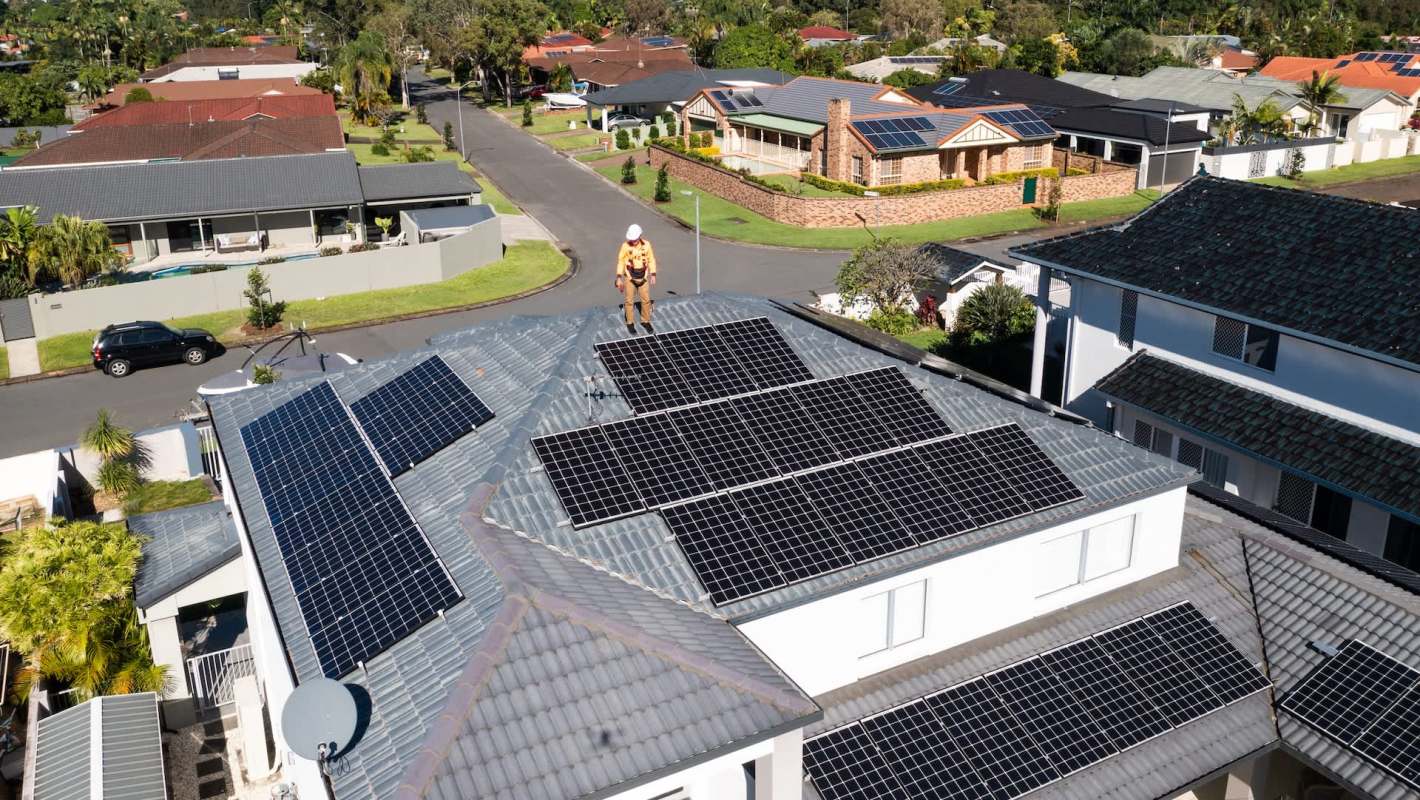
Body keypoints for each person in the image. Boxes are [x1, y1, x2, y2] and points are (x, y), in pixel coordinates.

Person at [615, 223, 657, 330]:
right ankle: (630, 322)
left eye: (635, 238)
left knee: (646, 300)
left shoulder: (646, 245)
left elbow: (651, 259)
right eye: (632, 239)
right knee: (629, 301)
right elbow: (620, 261)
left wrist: (653, 274)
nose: (633, 241)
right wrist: (619, 276)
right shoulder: (625, 246)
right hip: (630, 278)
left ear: (639, 235)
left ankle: (645, 321)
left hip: (643, 277)